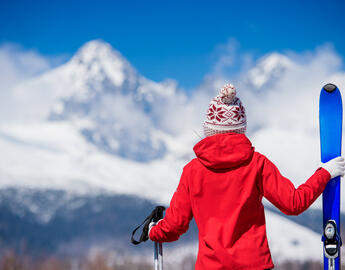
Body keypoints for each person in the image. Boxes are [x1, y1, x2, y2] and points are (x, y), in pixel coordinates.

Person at [148, 83, 345, 270]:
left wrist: (153, 230)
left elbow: (175, 225)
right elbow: (294, 203)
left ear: (209, 129)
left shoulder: (192, 171)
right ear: (241, 128)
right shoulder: (257, 164)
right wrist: (325, 173)